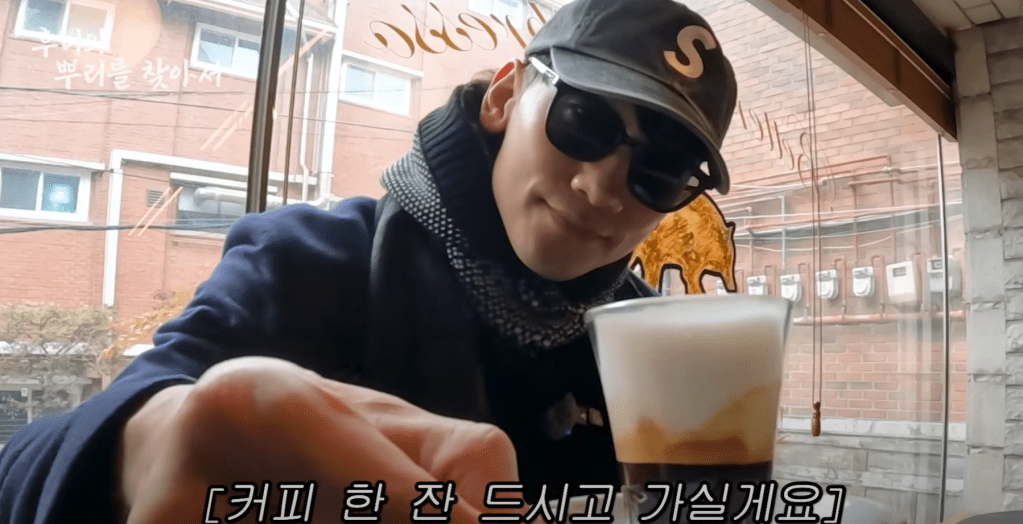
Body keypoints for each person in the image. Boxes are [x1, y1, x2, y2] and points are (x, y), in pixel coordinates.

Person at [0, 0, 738, 521]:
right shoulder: (308, 260)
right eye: (584, 120)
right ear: (504, 96)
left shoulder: (649, 343)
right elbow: (26, 465)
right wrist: (140, 447)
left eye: (660, 172)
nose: (600, 188)